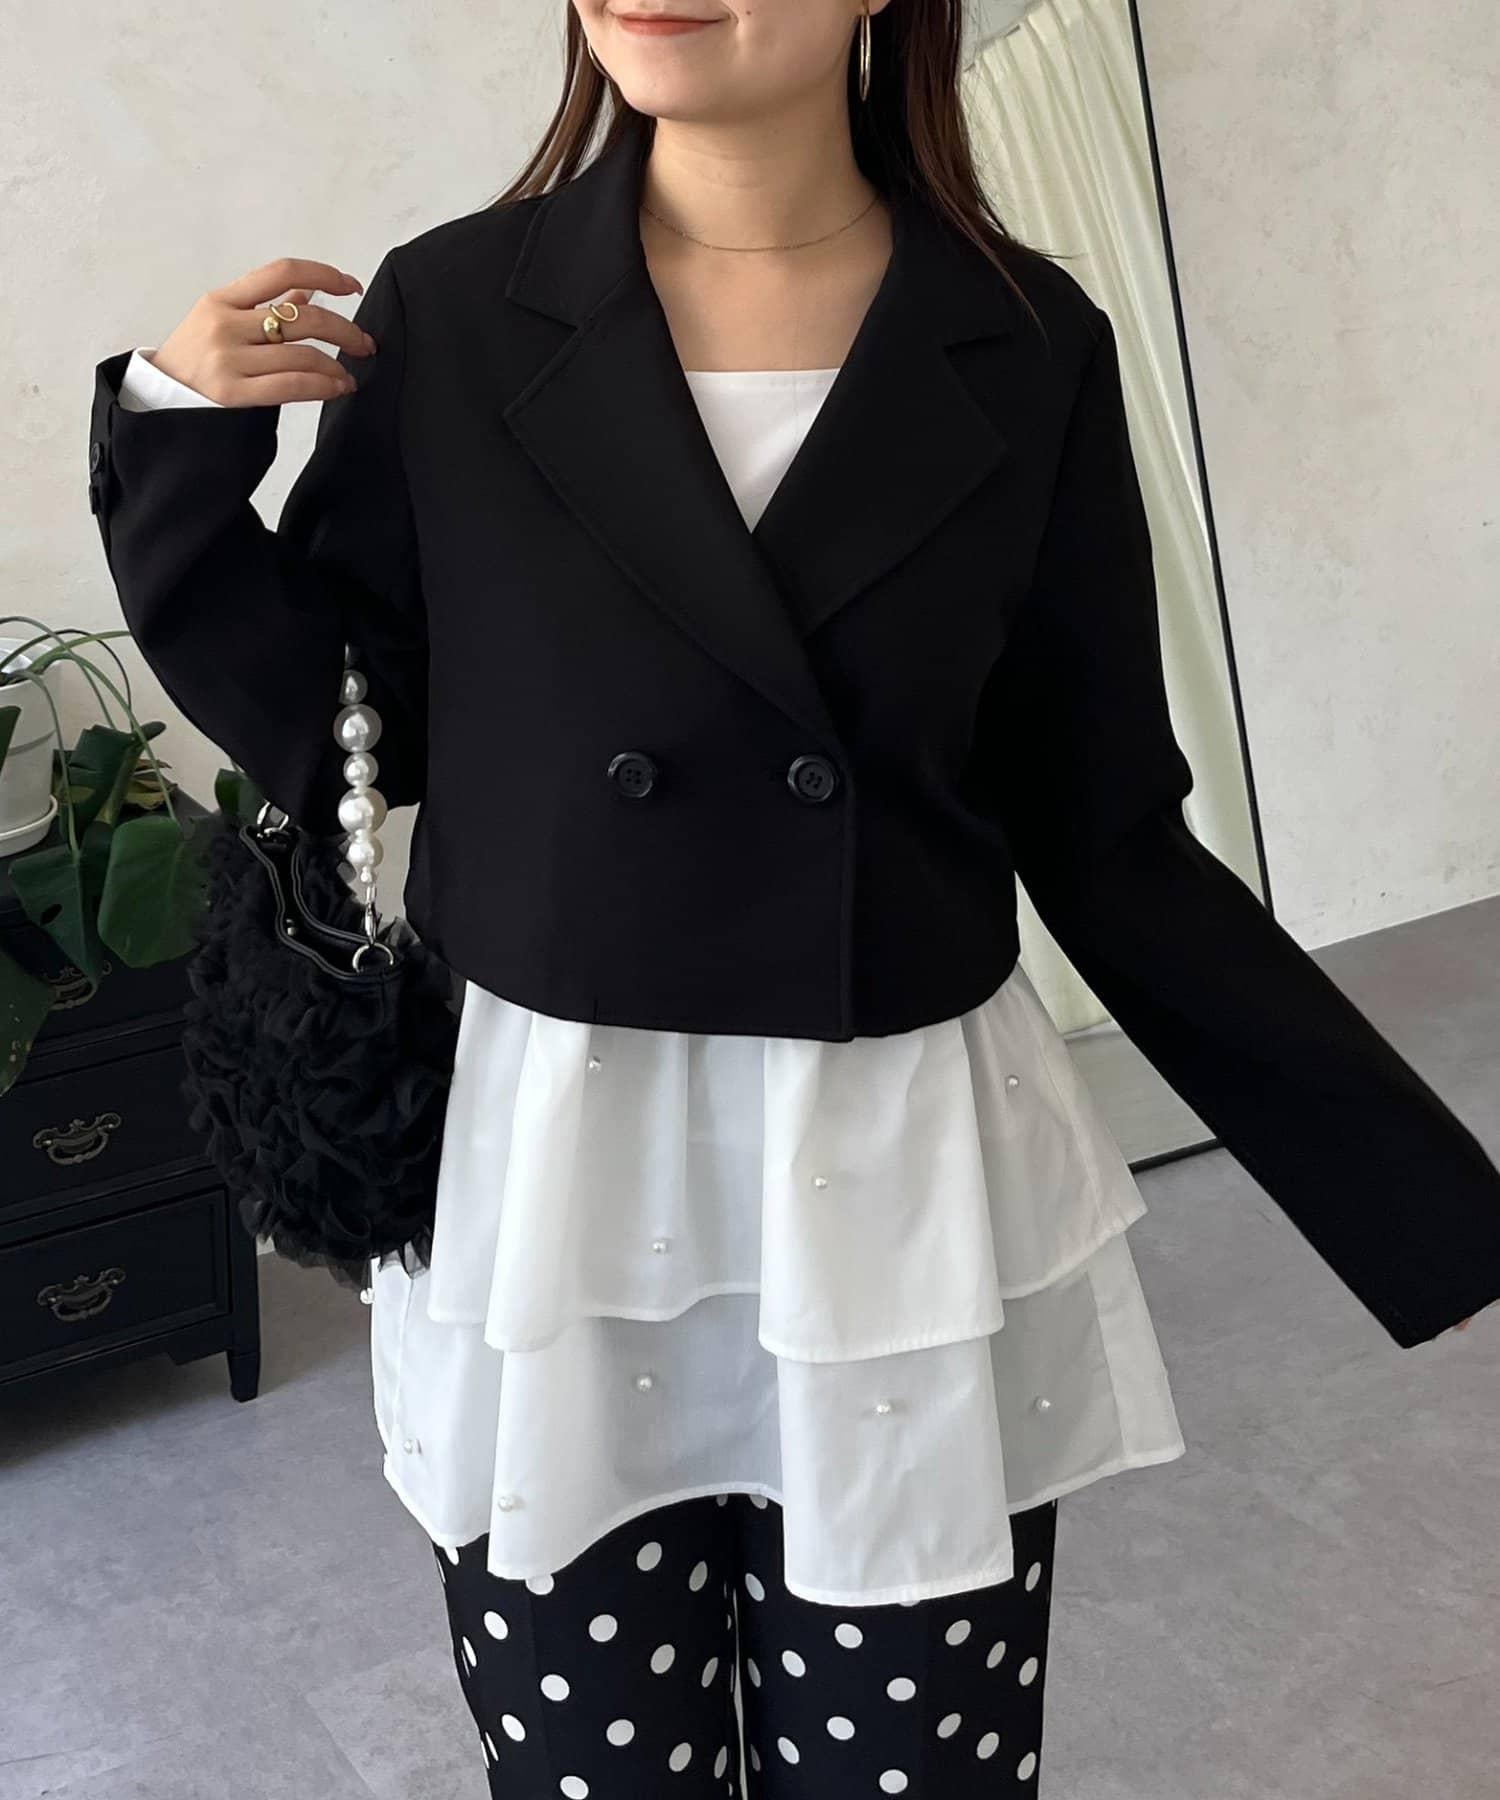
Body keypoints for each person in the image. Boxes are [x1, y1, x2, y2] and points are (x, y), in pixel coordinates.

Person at [86, 2, 1499, 1794]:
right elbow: (352, 720)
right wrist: (176, 444)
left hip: (887, 1165)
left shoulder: (1024, 339)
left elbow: (1102, 824)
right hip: (559, 1169)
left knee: (911, 1755)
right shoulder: (455, 307)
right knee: (597, 1762)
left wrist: (1424, 1199)